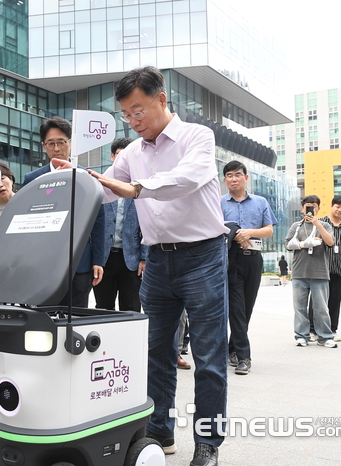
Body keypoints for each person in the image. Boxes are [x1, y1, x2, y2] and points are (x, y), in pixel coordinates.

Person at [86, 66, 229, 466]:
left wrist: (138, 188)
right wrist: (72, 181)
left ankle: (207, 443)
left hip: (202, 256)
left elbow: (189, 177)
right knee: (155, 352)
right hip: (157, 262)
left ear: (161, 100)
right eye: (126, 116)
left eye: (138, 112)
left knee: (209, 355)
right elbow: (105, 192)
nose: (132, 122)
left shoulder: (196, 137)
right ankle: (160, 431)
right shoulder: (131, 153)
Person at [24, 116, 105, 308]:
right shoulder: (33, 179)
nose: (57, 148)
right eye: (51, 143)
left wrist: (98, 260)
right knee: (44, 316)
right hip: (42, 263)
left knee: (76, 316)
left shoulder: (87, 177)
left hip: (80, 261)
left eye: (61, 142)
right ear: (44, 146)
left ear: (70, 143)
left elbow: (99, 220)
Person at [220, 161, 277, 376]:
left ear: (246, 177)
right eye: (229, 175)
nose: (233, 179)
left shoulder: (260, 202)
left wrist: (248, 233)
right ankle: (244, 357)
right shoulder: (219, 203)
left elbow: (269, 230)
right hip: (231, 260)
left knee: (247, 309)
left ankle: (232, 349)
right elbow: (214, 229)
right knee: (236, 308)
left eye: (237, 174)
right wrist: (235, 234)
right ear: (224, 179)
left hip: (254, 259)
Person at [93, 138, 148, 312]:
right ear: (112, 156)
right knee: (103, 309)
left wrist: (144, 258)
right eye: (120, 155)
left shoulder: (141, 187)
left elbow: (147, 224)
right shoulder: (100, 185)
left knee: (131, 309)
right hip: (104, 259)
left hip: (131, 260)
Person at [285, 195, 336, 348]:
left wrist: (317, 224)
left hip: (320, 272)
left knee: (321, 308)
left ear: (318, 208)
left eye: (314, 206)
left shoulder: (325, 226)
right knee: (299, 307)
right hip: (299, 272)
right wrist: (303, 244)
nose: (310, 209)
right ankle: (301, 336)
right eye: (307, 206)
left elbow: (330, 242)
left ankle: (325, 336)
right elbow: (287, 245)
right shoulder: (296, 226)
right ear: (302, 208)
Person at [308, 195, 341, 342]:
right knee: (317, 301)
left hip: (339, 269)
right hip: (322, 269)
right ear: (332, 206)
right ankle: (312, 330)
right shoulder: (320, 223)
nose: (340, 210)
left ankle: (332, 330)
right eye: (338, 206)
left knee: (335, 301)